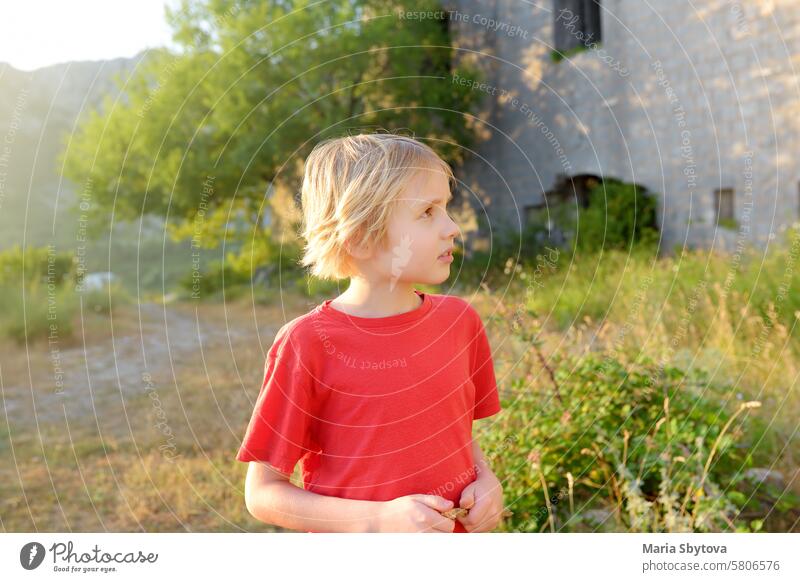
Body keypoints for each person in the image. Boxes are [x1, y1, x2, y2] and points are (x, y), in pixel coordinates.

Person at [236, 132, 504, 532]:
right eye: (428, 212)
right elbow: (263, 493)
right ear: (360, 238)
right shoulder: (307, 343)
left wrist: (488, 482)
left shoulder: (460, 322)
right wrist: (378, 520)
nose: (452, 227)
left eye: (446, 208)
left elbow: (459, 438)